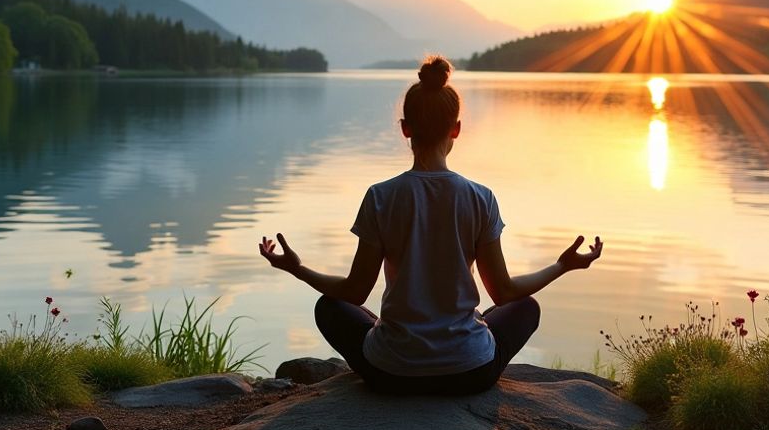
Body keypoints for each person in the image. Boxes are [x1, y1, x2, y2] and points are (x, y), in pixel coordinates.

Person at [259, 55, 604, 395]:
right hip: (470, 374)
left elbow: (354, 291)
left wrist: (297, 268)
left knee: (330, 306)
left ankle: (402, 350)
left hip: (390, 374)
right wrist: (563, 265)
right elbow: (505, 292)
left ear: (406, 128)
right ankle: (462, 341)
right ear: (456, 129)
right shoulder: (480, 198)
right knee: (524, 307)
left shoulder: (380, 197)